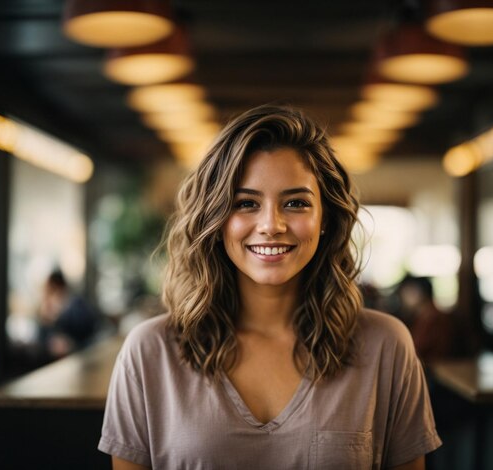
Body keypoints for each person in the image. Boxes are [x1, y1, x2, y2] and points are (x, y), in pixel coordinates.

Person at [98, 105, 442, 469]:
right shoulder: (150, 352)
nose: (271, 225)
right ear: (215, 220)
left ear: (324, 219)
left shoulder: (386, 346)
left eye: (295, 203)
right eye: (246, 203)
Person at [38, 269, 97, 360]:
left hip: (80, 357)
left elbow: (87, 331)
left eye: (50, 290)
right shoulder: (48, 308)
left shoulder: (77, 305)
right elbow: (43, 337)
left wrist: (71, 343)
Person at [397, 275, 453, 363]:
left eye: (407, 291)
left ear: (418, 293)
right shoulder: (424, 315)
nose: (403, 297)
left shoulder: (432, 317)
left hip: (435, 368)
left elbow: (415, 350)